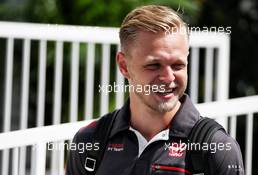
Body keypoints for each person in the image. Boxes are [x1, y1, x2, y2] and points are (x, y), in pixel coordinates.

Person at [66, 5, 244, 175]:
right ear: (123, 65)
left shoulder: (216, 148)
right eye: (154, 65)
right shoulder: (89, 141)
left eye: (177, 65)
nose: (168, 77)